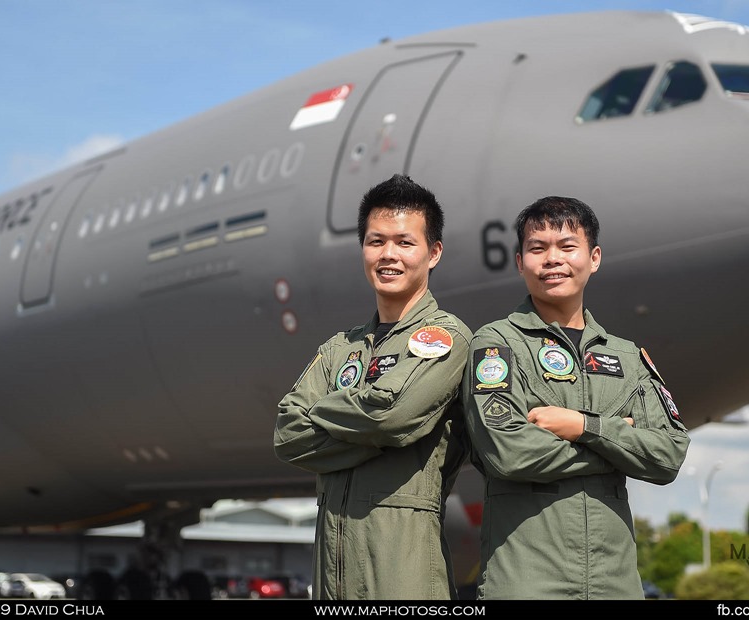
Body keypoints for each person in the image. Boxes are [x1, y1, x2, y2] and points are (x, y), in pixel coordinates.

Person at [461, 196, 690, 600]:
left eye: (567, 246)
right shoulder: (497, 344)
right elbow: (507, 451)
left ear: (594, 257)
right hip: (526, 582)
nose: (553, 259)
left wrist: (584, 427)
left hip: (615, 585)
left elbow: (669, 454)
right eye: (538, 248)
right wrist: (618, 442)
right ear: (519, 262)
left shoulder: (626, 356)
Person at [273, 174, 473, 600]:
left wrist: (323, 411)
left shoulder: (446, 336)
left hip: (403, 566)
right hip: (332, 568)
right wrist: (375, 427)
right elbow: (287, 435)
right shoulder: (339, 347)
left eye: (404, 242)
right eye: (375, 241)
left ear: (433, 252)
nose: (388, 255)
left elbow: (390, 416)